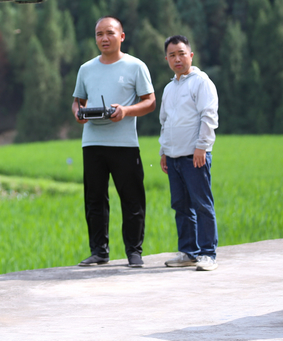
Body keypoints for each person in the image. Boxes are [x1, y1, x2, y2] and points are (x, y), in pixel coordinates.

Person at [71, 16, 156, 268]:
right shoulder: (86, 69)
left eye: (109, 33)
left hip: (125, 144)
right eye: (99, 34)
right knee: (95, 199)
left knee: (132, 199)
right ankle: (99, 251)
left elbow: (150, 101)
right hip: (92, 143)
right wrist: (78, 112)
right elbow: (77, 100)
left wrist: (126, 111)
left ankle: (134, 252)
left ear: (121, 36)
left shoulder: (135, 66)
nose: (104, 38)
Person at [159, 35, 220, 271]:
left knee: (202, 204)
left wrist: (201, 147)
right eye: (172, 55)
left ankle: (208, 254)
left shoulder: (201, 82)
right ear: (166, 59)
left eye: (181, 53)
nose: (177, 59)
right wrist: (164, 151)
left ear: (190, 55)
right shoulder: (169, 88)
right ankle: (188, 252)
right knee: (181, 205)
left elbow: (208, 116)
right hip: (173, 158)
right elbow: (164, 121)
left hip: (195, 156)